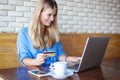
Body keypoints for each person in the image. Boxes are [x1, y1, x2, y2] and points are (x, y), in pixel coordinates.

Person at [17, 0, 81, 67]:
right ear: (39, 13)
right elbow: (24, 59)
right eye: (49, 15)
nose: (52, 19)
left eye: (54, 15)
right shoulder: (24, 33)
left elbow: (59, 55)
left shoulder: (54, 33)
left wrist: (71, 59)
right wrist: (36, 61)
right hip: (34, 72)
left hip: (53, 72)